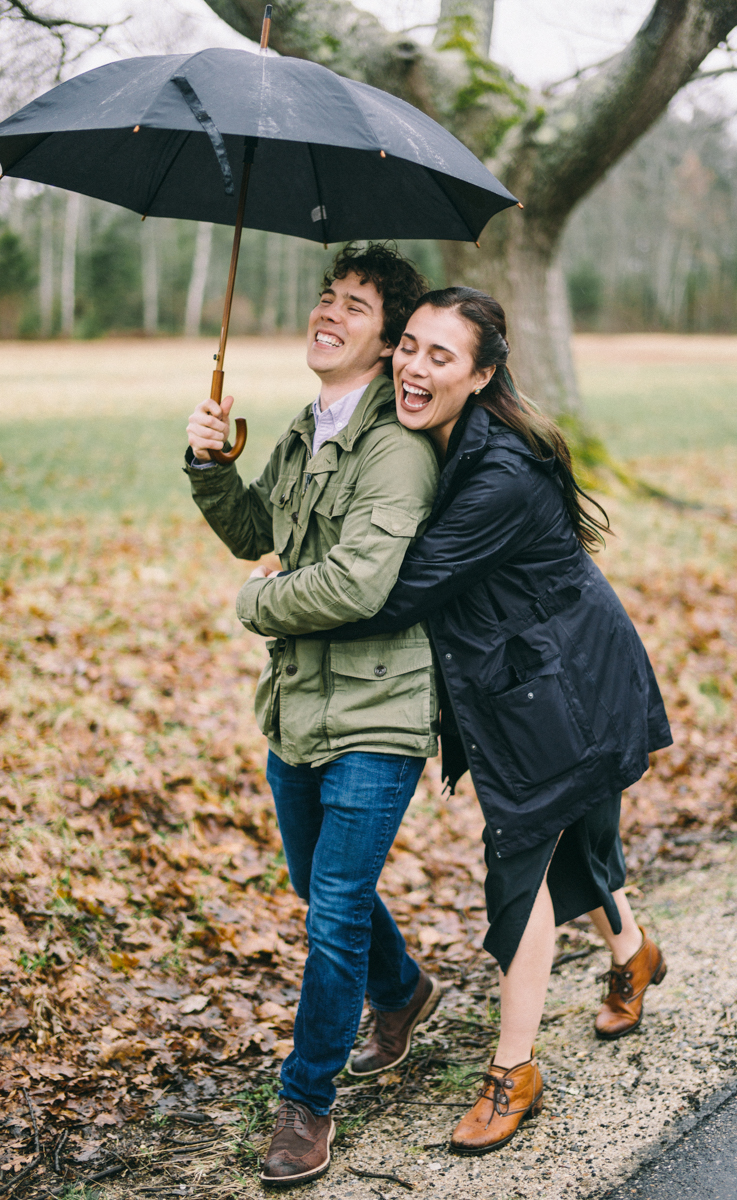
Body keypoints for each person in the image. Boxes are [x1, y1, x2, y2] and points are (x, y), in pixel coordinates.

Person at [240, 286, 673, 1157]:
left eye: (442, 355)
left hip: (563, 687)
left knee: (524, 872)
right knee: (575, 834)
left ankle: (515, 1072)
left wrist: (274, 596)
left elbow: (390, 591)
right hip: (530, 672)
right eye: (409, 346)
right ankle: (633, 952)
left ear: (482, 375)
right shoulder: (439, 441)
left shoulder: (499, 475)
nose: (413, 365)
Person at [184, 244, 446, 1187]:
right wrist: (211, 464)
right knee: (316, 883)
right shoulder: (304, 427)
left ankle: (308, 1100)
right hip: (299, 706)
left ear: (386, 345)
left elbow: (360, 582)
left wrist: (259, 604)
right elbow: (259, 535)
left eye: (355, 307)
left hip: (381, 708)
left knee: (331, 910)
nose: (327, 314)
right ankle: (404, 990)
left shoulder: (396, 448)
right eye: (326, 298)